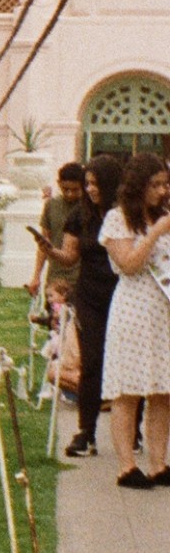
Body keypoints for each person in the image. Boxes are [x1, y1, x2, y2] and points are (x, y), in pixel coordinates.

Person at [101, 149, 170, 488]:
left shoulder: (166, 216)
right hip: (132, 308)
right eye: (155, 185)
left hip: (163, 311)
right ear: (139, 186)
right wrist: (156, 233)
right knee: (128, 389)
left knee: (163, 390)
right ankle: (126, 466)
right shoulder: (117, 219)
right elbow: (128, 264)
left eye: (165, 184)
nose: (162, 191)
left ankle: (158, 462)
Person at [53, 151, 120, 455]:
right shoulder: (80, 215)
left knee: (123, 362)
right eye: (87, 183)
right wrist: (51, 252)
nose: (90, 189)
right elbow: (69, 256)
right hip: (90, 296)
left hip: (122, 296)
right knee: (91, 362)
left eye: (95, 183)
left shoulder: (124, 214)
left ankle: (133, 428)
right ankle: (86, 431)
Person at [31, 159, 86, 298]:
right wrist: (36, 276)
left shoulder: (88, 208)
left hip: (81, 277)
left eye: (75, 190)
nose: (70, 194)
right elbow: (44, 244)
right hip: (55, 277)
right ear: (59, 184)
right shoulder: (51, 206)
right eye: (66, 189)